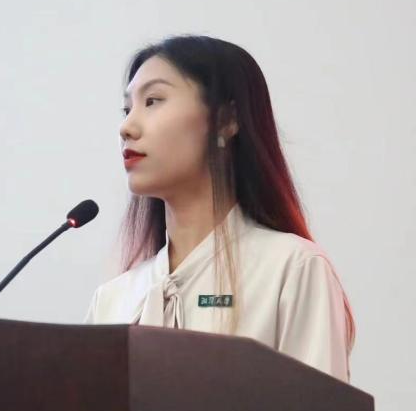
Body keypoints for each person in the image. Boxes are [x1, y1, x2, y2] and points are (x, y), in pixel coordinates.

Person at [83, 35, 354, 383]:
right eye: (127, 109)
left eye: (152, 101)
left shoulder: (292, 269)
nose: (126, 128)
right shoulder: (112, 300)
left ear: (226, 119)